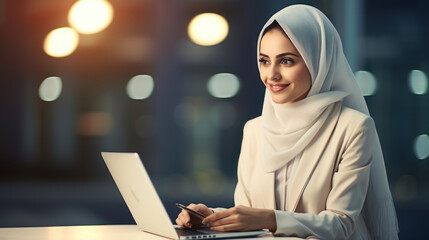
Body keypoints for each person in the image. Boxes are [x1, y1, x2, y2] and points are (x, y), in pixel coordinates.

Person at [176, 4, 399, 239]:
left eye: (286, 61)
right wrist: (210, 218)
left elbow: (341, 224)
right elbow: (250, 216)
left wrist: (270, 219)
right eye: (264, 60)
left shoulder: (353, 127)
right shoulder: (255, 130)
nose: (271, 75)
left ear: (317, 61)